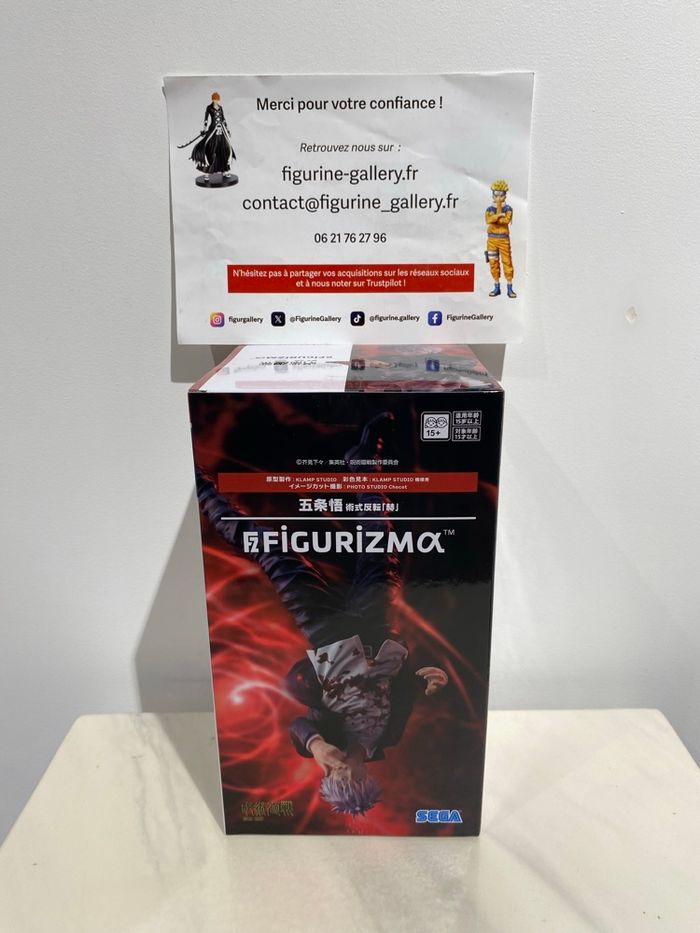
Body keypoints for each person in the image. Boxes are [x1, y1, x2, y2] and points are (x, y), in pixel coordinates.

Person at [196, 413, 449, 817]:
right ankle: (363, 462)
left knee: (270, 548)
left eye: (332, 777)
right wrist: (427, 678)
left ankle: (202, 488)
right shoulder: (389, 738)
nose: (339, 770)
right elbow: (404, 691)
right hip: (378, 626)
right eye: (348, 778)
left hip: (326, 631)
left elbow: (299, 726)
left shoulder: (318, 742)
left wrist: (317, 747)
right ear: (365, 776)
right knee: (381, 538)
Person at [189, 92, 236, 178]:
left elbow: (223, 119)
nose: (216, 101)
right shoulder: (209, 108)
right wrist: (204, 129)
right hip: (213, 130)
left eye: (217, 99)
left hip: (221, 131)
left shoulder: (220, 108)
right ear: (212, 99)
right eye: (215, 99)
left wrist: (227, 129)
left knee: (223, 149)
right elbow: (206, 119)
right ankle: (207, 172)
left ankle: (224, 170)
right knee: (210, 149)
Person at [485, 179, 517, 298]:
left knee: (507, 262)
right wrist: (499, 215)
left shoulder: (508, 209)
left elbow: (505, 221)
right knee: (493, 262)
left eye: (501, 194)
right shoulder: (489, 209)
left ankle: (509, 287)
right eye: (496, 194)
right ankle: (496, 287)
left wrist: (497, 215)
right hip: (492, 240)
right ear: (493, 195)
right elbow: (488, 220)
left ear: (505, 195)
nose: (498, 197)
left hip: (504, 240)